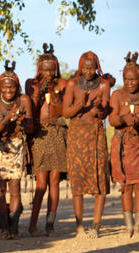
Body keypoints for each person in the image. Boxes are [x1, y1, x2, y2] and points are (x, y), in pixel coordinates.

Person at [62, 51, 111, 239]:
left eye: (92, 68)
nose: (89, 72)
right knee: (77, 178)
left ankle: (96, 225)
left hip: (96, 134)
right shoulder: (72, 84)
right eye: (85, 68)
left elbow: (104, 114)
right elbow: (66, 112)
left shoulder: (104, 85)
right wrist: (80, 105)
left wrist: (99, 107)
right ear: (80, 68)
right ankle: (80, 226)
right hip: (76, 135)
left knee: (100, 177)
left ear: (97, 67)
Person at [0, 61, 34, 240]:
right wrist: (7, 120)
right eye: (5, 87)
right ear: (0, 87)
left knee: (14, 189)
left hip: (15, 144)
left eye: (12, 87)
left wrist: (21, 123)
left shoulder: (24, 100)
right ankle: (4, 228)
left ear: (17, 86)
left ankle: (14, 227)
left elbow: (30, 127)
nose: (8, 91)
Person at [25, 43, 68, 237]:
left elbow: (65, 108)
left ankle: (50, 225)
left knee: (55, 179)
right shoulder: (31, 83)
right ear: (39, 69)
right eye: (45, 70)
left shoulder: (63, 84)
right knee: (41, 183)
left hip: (58, 133)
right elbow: (30, 108)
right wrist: (38, 92)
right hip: (40, 135)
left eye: (52, 70)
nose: (49, 74)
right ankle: (32, 226)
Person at [109, 52, 139, 237]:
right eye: (127, 79)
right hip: (123, 146)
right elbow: (112, 119)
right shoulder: (117, 95)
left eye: (134, 80)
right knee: (127, 185)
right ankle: (129, 224)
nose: (130, 83)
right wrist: (123, 118)